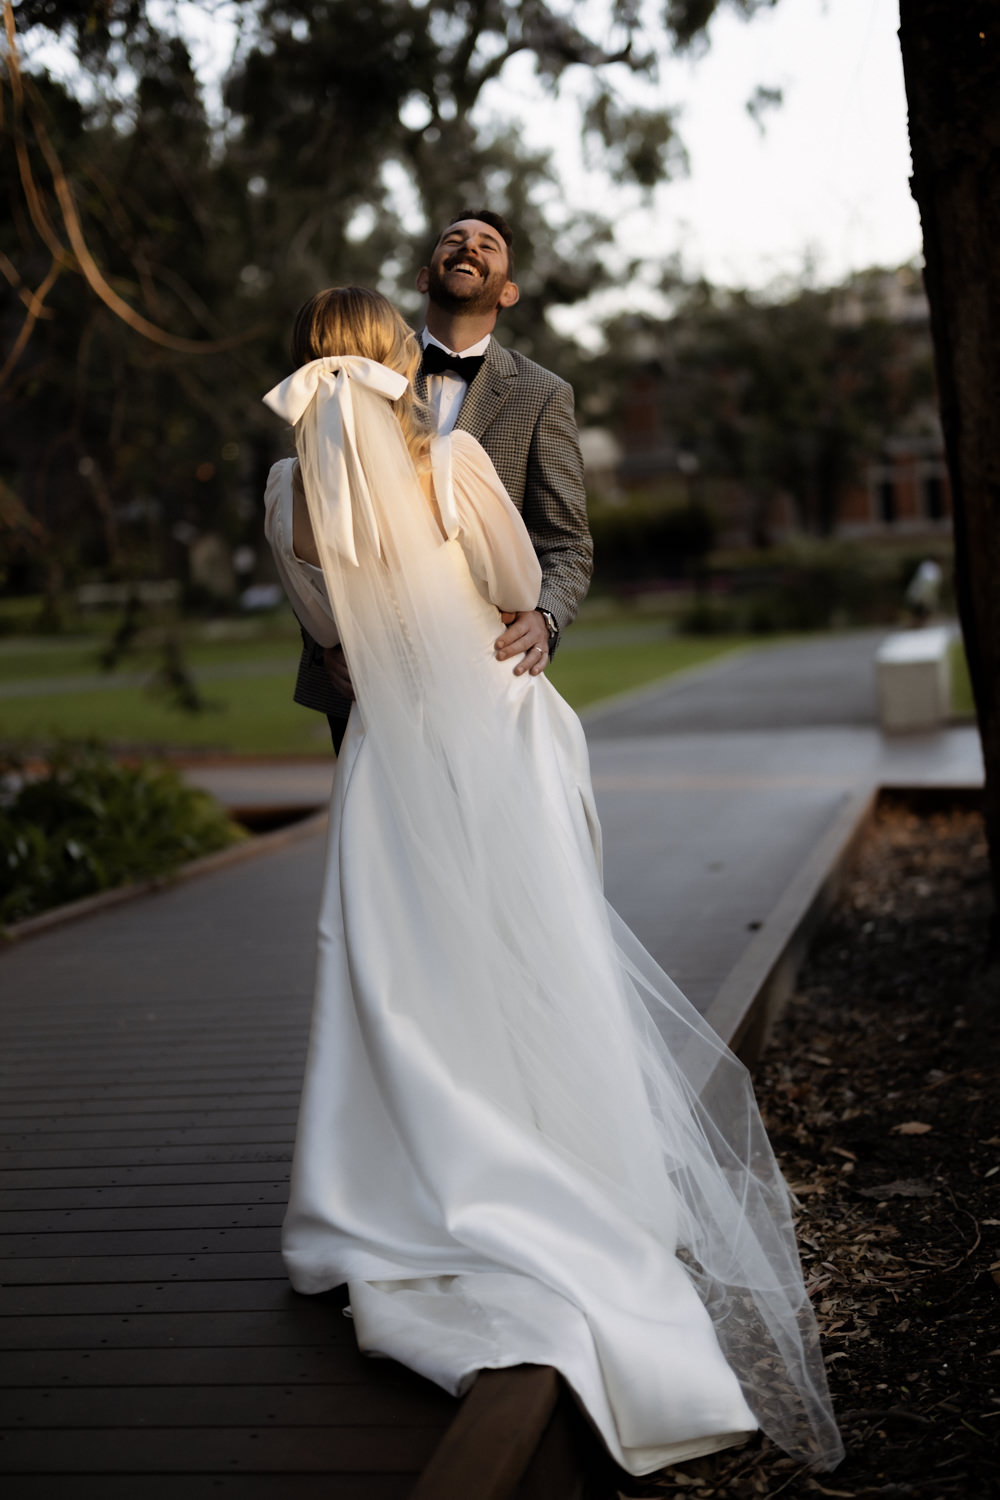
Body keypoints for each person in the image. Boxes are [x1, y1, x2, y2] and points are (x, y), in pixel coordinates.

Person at [262, 286, 843, 1479]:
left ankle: (391, 1188)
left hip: (387, 761)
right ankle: (566, 1156)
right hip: (497, 732)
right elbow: (520, 585)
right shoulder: (452, 460)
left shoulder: (285, 494)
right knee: (539, 948)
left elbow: (327, 632)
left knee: (402, 975)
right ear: (393, 357)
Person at [292, 210, 592, 751]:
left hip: (483, 669)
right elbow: (309, 518)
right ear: (424, 277)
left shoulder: (543, 394)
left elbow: (567, 541)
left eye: (487, 244)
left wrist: (545, 616)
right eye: (454, 239)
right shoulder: (359, 367)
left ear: (508, 293)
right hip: (364, 677)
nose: (469, 246)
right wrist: (328, 645)